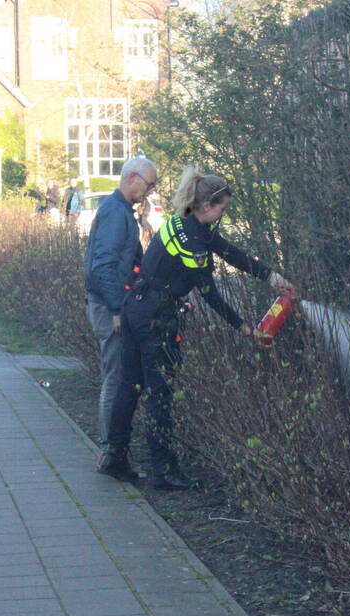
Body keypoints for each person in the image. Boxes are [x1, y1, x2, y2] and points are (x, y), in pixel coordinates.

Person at [99, 165, 296, 490]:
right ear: (207, 205)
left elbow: (232, 254)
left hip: (136, 307)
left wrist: (273, 277)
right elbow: (208, 291)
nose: (223, 215)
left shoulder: (184, 224)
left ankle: (114, 457)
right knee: (159, 395)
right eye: (222, 208)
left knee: (129, 386)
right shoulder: (192, 239)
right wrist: (243, 327)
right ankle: (164, 472)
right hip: (154, 319)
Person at [84, 157, 157, 480]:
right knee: (115, 378)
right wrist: (116, 309)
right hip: (108, 307)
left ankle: (113, 451)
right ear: (133, 178)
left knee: (118, 377)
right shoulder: (116, 213)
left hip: (111, 304)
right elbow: (103, 267)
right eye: (149, 184)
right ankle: (110, 453)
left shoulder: (122, 212)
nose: (151, 191)